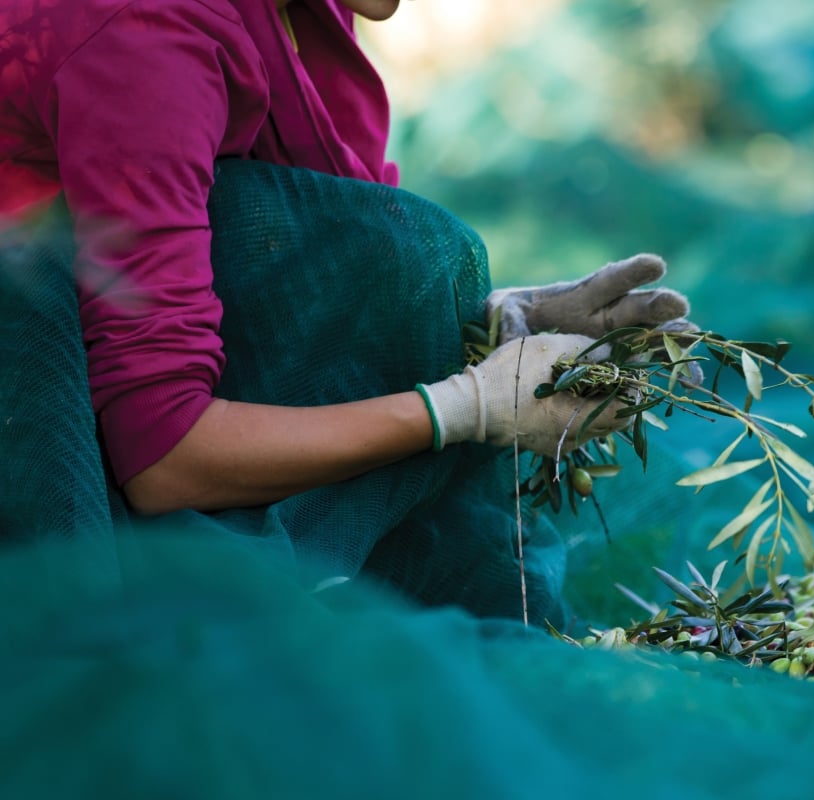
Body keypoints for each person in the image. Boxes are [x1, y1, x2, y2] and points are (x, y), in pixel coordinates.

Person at [0, 0, 695, 620]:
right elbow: (162, 458)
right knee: (404, 256)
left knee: (404, 258)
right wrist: (463, 407)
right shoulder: (147, 35)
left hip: (94, 337)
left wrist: (493, 318)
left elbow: (318, 271)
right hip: (32, 419)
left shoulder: (291, 14)